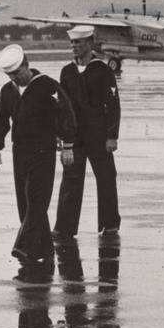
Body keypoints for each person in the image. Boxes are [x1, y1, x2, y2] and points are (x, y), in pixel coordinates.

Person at [0, 44, 76, 276]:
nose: (14, 78)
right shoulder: (8, 91)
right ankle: (44, 250)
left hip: (43, 151)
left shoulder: (47, 86)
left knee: (37, 200)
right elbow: (0, 118)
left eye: (17, 73)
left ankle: (23, 246)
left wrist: (68, 145)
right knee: (24, 203)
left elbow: (66, 113)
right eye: (10, 75)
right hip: (20, 153)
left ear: (27, 65)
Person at [54, 26, 121, 238]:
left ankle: (110, 224)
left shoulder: (102, 70)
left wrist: (112, 136)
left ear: (89, 43)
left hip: (99, 136)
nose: (74, 46)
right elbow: (62, 106)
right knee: (70, 180)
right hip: (74, 137)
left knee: (106, 178)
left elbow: (113, 104)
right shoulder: (67, 72)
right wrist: (61, 135)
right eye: (72, 42)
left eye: (78, 42)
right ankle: (64, 228)